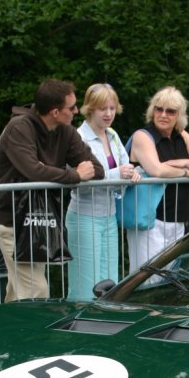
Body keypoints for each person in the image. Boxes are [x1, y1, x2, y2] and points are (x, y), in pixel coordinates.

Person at [0, 79, 104, 302]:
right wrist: (74, 175)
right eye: (72, 107)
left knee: (20, 284)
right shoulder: (19, 128)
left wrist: (68, 173)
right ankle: (32, 336)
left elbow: (96, 169)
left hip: (37, 218)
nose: (77, 111)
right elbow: (33, 171)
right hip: (8, 218)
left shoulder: (65, 131)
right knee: (35, 288)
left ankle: (7, 333)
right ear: (55, 112)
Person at [125, 86, 189, 270]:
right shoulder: (143, 136)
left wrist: (179, 163)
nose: (163, 115)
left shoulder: (182, 136)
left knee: (168, 279)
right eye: (159, 109)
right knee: (145, 277)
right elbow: (158, 171)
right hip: (150, 220)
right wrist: (188, 172)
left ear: (179, 114)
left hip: (178, 219)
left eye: (170, 111)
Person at [68, 83, 140, 300]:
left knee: (110, 282)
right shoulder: (77, 137)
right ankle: (79, 330)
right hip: (84, 216)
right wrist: (118, 174)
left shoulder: (113, 135)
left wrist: (131, 176)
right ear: (90, 108)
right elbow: (78, 179)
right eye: (103, 109)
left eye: (112, 108)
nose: (109, 114)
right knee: (86, 285)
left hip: (109, 217)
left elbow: (123, 170)